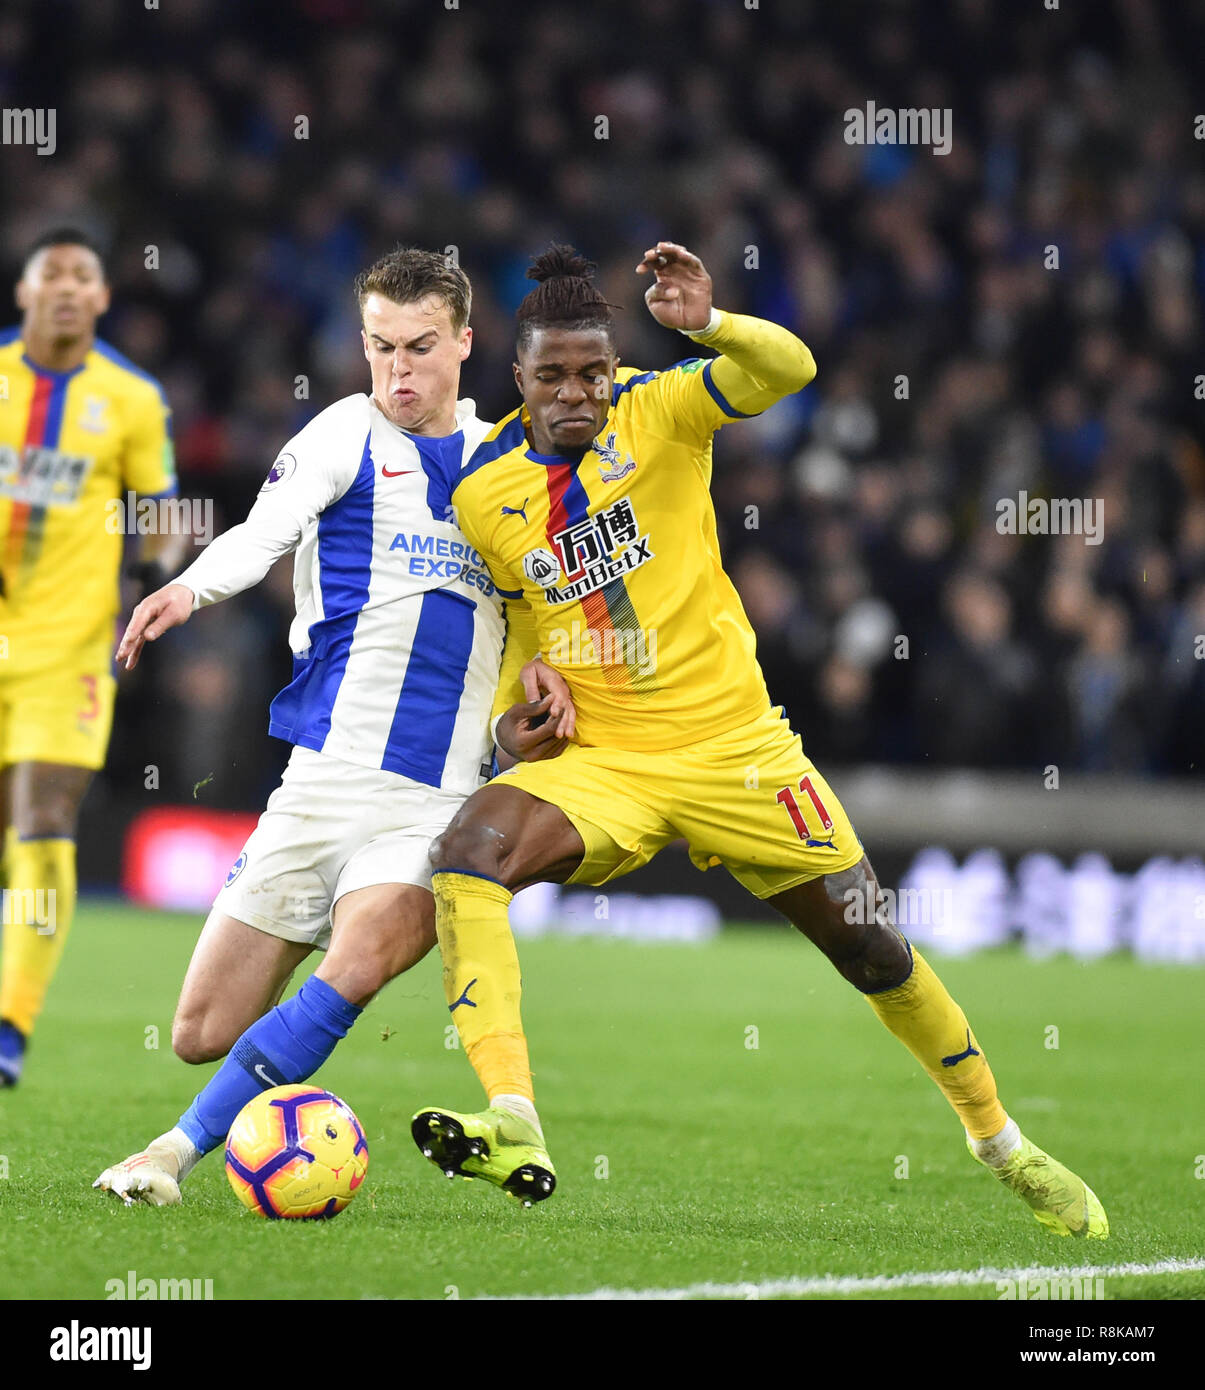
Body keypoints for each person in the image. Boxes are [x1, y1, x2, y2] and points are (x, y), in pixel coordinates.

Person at [411, 242, 1107, 1239]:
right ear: (515, 379)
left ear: (615, 370)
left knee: (870, 945)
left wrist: (709, 323)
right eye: (553, 376)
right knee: (466, 852)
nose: (576, 393)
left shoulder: (661, 409)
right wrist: (513, 707)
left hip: (738, 750)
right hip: (604, 761)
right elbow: (525, 618)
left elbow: (788, 370)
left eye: (591, 373)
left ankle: (999, 1140)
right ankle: (513, 1117)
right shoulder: (483, 491)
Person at [94, 247, 572, 1204]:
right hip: (322, 780)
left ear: (467, 343)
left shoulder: (511, 461)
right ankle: (289, 1044)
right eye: (380, 347)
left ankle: (168, 1156)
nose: (399, 371)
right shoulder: (344, 434)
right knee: (200, 1033)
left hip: (436, 802)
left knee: (354, 965)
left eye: (422, 347)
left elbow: (545, 608)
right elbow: (264, 530)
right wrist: (187, 590)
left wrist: (542, 686)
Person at [0, 229, 182, 1087]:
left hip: (66, 647)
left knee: (41, 823)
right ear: (25, 291)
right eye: (53, 275)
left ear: (104, 298)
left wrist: (155, 584)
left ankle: (10, 1024)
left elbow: (159, 510)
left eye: (85, 278)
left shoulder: (134, 398)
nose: (68, 289)